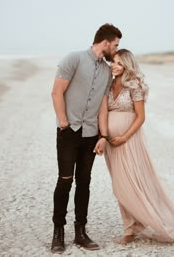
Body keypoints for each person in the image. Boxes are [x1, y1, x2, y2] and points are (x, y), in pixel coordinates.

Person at [98, 49, 174, 245]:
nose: (114, 66)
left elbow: (141, 117)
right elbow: (103, 112)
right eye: (113, 62)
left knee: (132, 183)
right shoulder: (107, 85)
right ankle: (131, 228)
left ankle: (146, 224)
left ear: (127, 64)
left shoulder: (134, 85)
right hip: (111, 144)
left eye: (119, 62)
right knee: (120, 185)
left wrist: (124, 136)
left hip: (130, 141)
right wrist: (104, 136)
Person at [50, 23, 122, 253]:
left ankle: (80, 232)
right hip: (69, 132)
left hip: (90, 135)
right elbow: (56, 91)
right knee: (65, 181)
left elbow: (102, 105)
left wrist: (103, 135)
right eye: (116, 44)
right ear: (106, 42)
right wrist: (63, 123)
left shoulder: (106, 71)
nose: (117, 49)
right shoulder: (74, 58)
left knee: (84, 183)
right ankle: (58, 233)